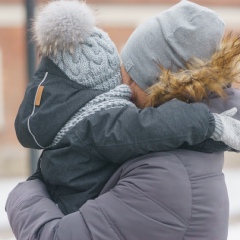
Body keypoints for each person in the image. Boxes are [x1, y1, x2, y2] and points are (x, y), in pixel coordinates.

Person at [6, 1, 240, 239]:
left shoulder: (165, 174)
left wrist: (24, 193)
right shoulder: (180, 150)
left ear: (157, 87)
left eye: (128, 78)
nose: (121, 87)